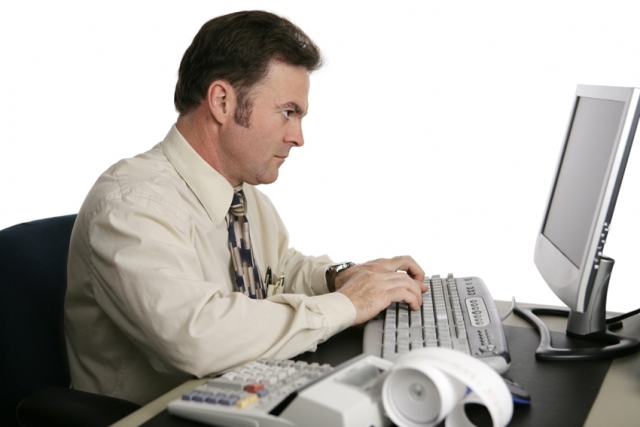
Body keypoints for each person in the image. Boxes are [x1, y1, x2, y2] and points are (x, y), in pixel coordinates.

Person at [64, 10, 427, 406]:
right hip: (155, 415)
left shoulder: (242, 196)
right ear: (222, 102)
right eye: (288, 112)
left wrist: (339, 278)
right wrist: (348, 305)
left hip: (238, 401)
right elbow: (197, 337)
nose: (298, 137)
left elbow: (278, 272)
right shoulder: (130, 205)